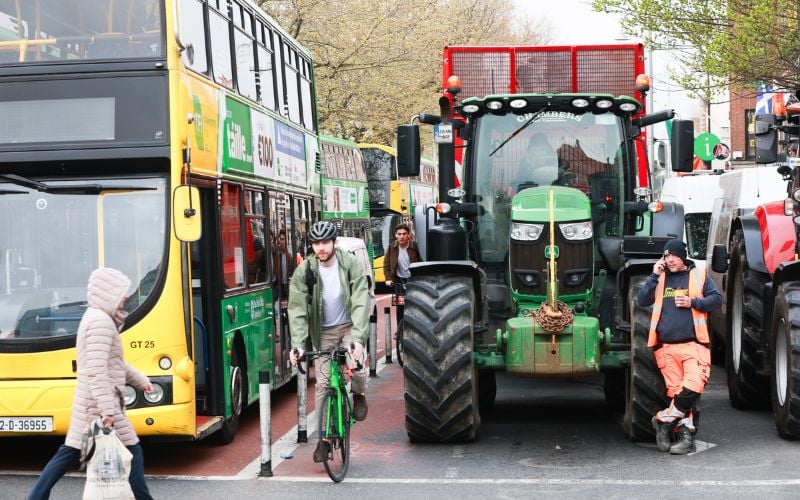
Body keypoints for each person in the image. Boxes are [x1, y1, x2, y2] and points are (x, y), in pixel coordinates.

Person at [29, 268, 154, 500]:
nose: (125, 298)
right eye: (122, 294)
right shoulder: (101, 323)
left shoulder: (98, 318)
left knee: (68, 453)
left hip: (93, 402)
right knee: (133, 452)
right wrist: (108, 410)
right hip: (98, 405)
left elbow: (115, 364)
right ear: (109, 294)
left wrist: (141, 381)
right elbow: (97, 371)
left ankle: (36, 497)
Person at [288, 221, 369, 463]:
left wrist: (358, 339)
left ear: (334, 242)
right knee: (323, 385)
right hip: (322, 331)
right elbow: (297, 309)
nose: (321, 248)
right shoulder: (305, 271)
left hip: (349, 326)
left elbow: (360, 301)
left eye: (325, 243)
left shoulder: (350, 264)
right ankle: (323, 440)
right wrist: (298, 345)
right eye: (316, 243)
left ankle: (360, 393)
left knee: (357, 365)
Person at [636, 239, 722, 455]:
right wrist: (654, 275)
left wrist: (693, 302)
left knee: (692, 387)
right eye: (666, 256)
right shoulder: (660, 278)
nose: (670, 259)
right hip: (666, 349)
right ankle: (686, 439)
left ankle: (663, 420)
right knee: (679, 395)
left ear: (682, 256)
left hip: (693, 345)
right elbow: (641, 300)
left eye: (674, 255)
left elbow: (716, 300)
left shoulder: (698, 276)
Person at [383, 223, 421, 326]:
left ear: (408, 235)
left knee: (415, 305)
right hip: (399, 281)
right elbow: (386, 265)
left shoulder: (415, 246)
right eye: (399, 234)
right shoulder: (392, 247)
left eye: (404, 234)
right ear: (396, 235)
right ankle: (400, 329)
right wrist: (388, 278)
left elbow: (421, 262)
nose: (401, 236)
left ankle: (415, 326)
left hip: (413, 281)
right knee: (400, 306)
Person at [272, 229, 295, 300]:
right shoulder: (276, 253)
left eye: (283, 239)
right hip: (279, 285)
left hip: (286, 286)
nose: (281, 241)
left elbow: (292, 271)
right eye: (280, 239)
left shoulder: (289, 256)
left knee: (285, 307)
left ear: (286, 240)